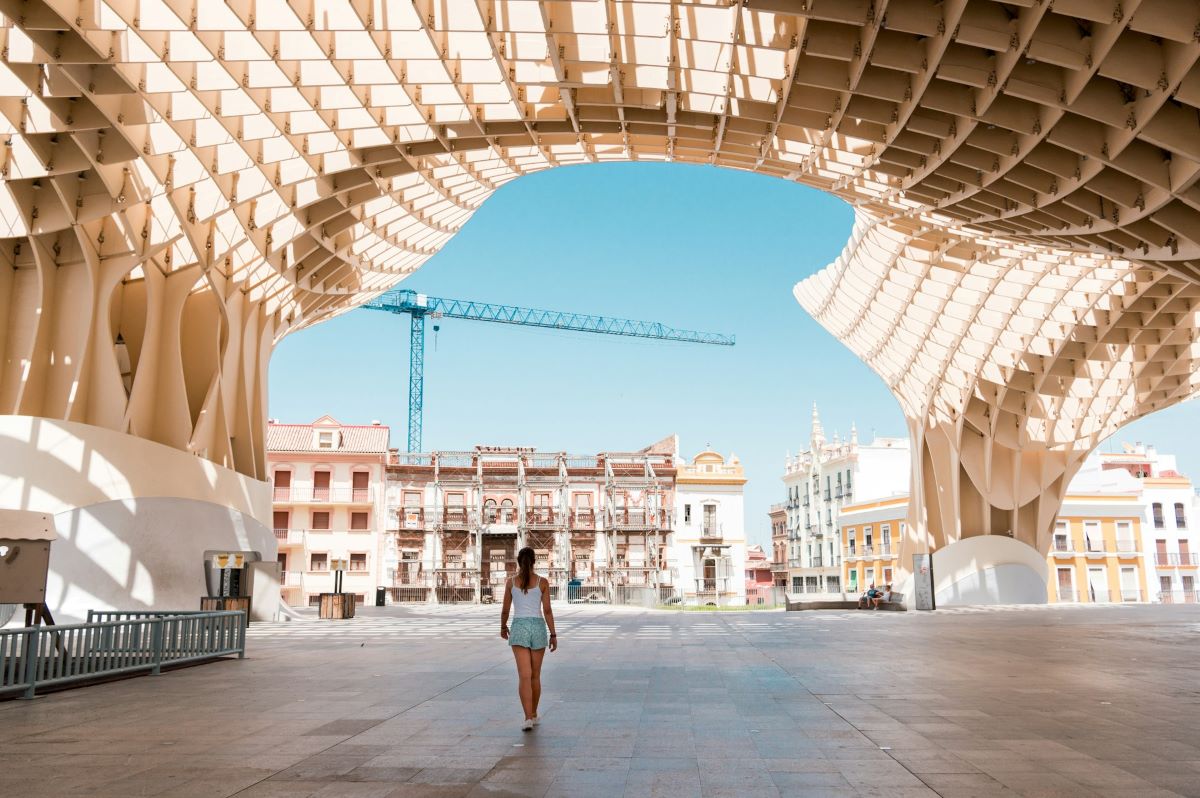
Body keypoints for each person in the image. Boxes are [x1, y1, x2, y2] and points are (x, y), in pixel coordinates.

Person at [500, 547, 558, 730]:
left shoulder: (511, 582)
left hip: (519, 627)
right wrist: (553, 634)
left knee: (524, 676)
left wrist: (503, 626)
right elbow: (547, 610)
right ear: (534, 562)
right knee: (535, 676)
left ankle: (526, 718)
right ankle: (533, 713)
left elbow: (505, 609)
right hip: (538, 627)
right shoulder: (542, 582)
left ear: (518, 561)